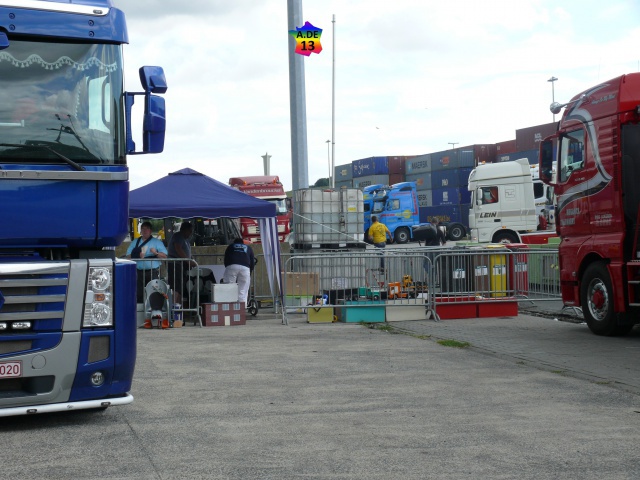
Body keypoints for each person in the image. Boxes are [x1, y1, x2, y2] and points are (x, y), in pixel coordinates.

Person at [126, 221, 168, 303]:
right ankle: (139, 312)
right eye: (143, 229)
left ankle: (154, 311)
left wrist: (156, 253)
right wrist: (137, 255)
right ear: (140, 231)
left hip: (152, 272)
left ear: (150, 231)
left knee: (154, 293)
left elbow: (165, 256)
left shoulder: (157, 242)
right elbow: (127, 256)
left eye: (147, 229)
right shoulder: (135, 242)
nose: (145, 231)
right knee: (138, 294)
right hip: (138, 272)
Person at [167, 222, 197, 305]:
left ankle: (178, 307)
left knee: (180, 287)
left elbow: (186, 251)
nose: (191, 233)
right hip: (175, 264)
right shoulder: (178, 236)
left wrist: (192, 259)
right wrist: (188, 260)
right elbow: (178, 249)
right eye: (189, 231)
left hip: (181, 265)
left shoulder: (186, 239)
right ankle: (173, 306)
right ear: (184, 230)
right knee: (176, 286)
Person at [222, 238, 255, 305]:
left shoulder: (231, 246)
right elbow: (252, 261)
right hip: (245, 268)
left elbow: (226, 258)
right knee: (243, 289)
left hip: (232, 265)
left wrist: (227, 266)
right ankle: (242, 308)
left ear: (234, 242)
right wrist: (250, 270)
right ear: (242, 243)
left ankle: (230, 306)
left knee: (229, 286)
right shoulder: (248, 248)